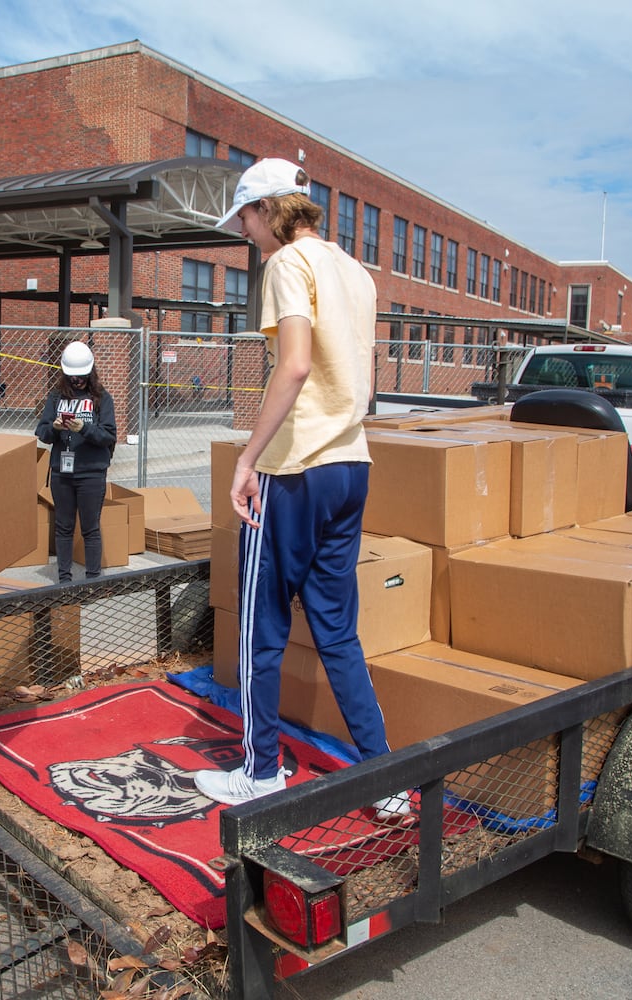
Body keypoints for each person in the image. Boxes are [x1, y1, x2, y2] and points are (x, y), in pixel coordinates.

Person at [192, 158, 406, 821]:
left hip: (295, 471)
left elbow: (294, 365)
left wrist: (247, 458)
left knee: (262, 627)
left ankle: (260, 772)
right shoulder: (356, 273)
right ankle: (386, 778)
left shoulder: (287, 265)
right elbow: (358, 383)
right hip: (350, 464)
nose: (246, 234)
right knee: (339, 634)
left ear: (266, 212)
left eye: (246, 220)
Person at [35, 341, 118, 582]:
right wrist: (54, 427)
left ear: (90, 373)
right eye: (72, 377)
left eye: (81, 377)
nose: (77, 382)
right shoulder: (55, 397)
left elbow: (108, 435)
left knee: (90, 528)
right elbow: (41, 432)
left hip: (91, 472)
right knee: (64, 527)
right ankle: (64, 579)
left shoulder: (102, 399)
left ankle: (92, 580)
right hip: (62, 472)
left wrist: (85, 428)